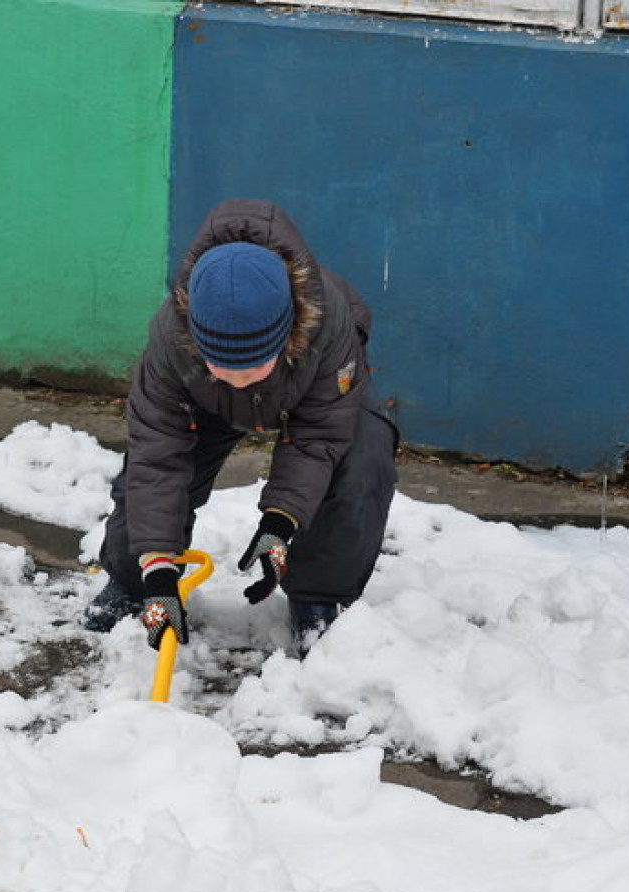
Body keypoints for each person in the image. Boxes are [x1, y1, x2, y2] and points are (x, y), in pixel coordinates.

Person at [83, 198, 397, 658]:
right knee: (147, 478)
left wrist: (279, 522)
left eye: (252, 367)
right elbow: (157, 456)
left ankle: (319, 597)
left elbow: (318, 436)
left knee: (363, 450)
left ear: (287, 334)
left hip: (307, 395)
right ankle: (133, 583)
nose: (237, 378)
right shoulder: (170, 343)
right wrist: (157, 569)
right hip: (203, 404)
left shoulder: (328, 326)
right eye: (222, 365)